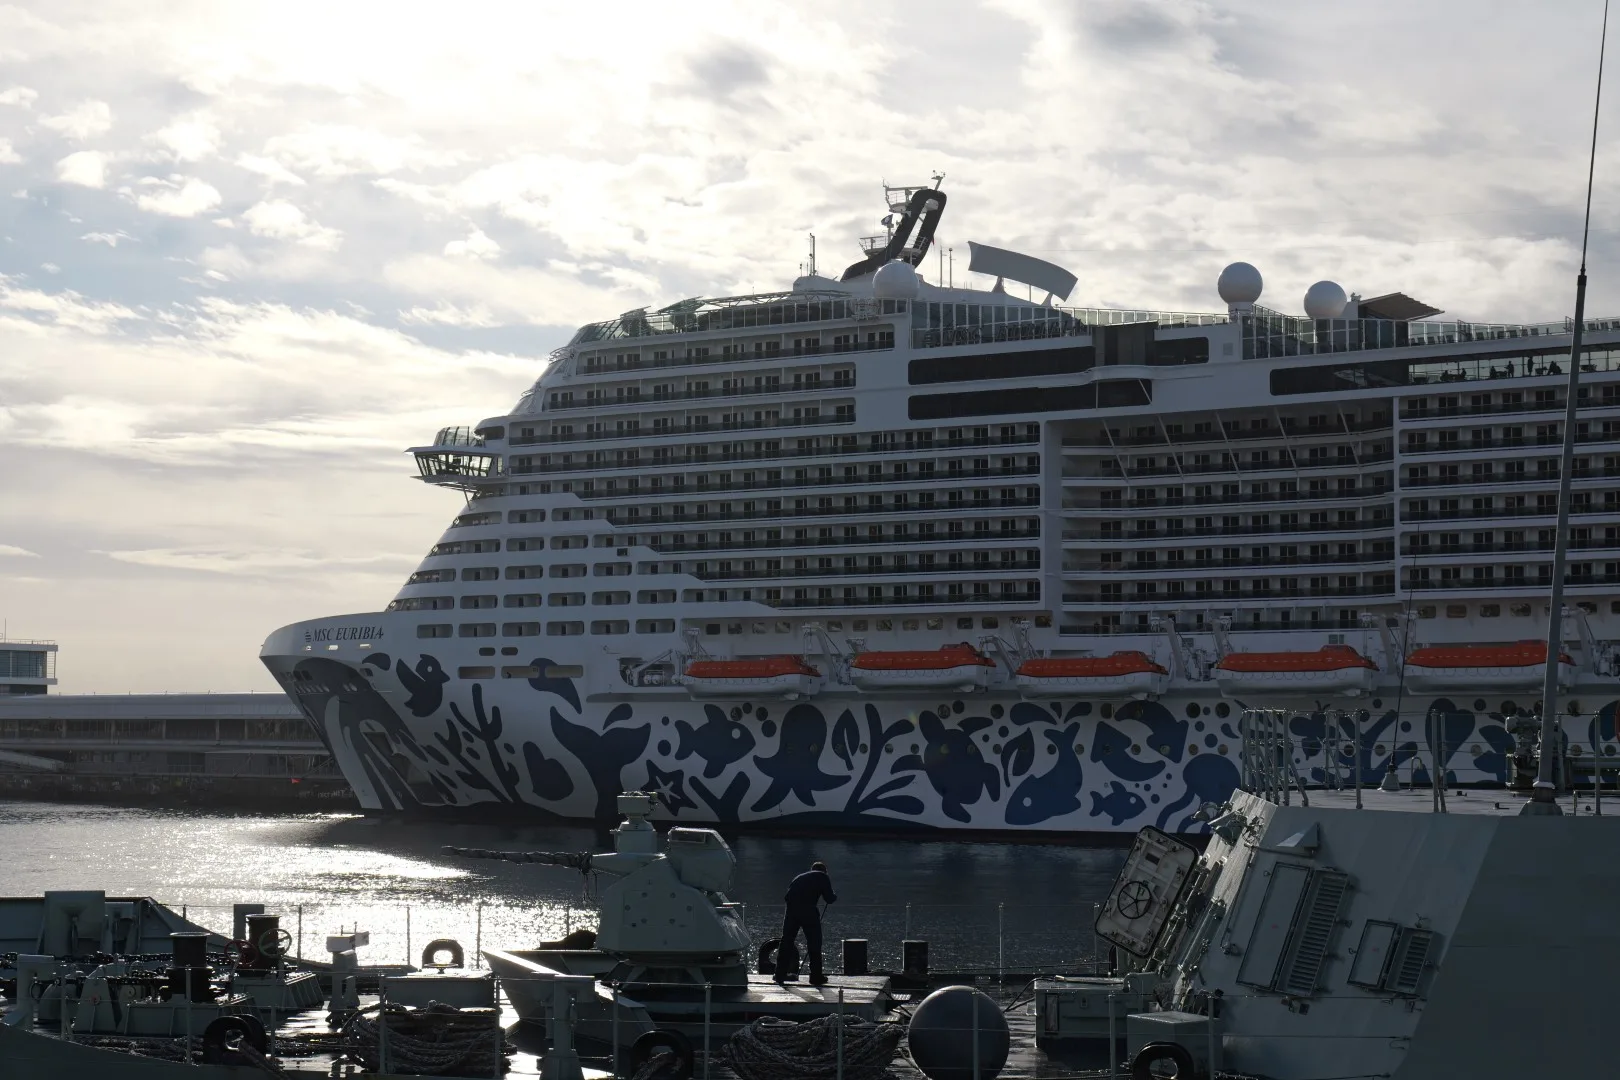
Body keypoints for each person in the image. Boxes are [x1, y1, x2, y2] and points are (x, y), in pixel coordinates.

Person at [776, 860, 836, 985]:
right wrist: (834, 896)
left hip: (791, 909)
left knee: (786, 941)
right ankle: (815, 977)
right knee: (815, 942)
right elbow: (829, 898)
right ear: (825, 871)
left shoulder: (799, 877)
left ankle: (779, 975)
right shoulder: (823, 876)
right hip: (808, 910)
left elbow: (787, 896)